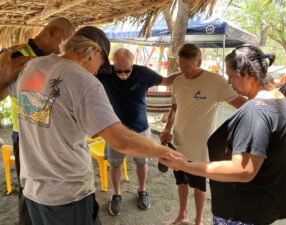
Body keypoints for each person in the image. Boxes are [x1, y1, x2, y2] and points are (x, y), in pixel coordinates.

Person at [0, 26, 183, 225]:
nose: (98, 71)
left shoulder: (33, 67)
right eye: (101, 65)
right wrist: (163, 152)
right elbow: (121, 140)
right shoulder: (83, 80)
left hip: (33, 191)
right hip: (68, 195)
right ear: (94, 51)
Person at [160, 45, 286, 225]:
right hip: (259, 207)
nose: (229, 82)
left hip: (241, 213)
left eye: (231, 76)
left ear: (247, 74)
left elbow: (243, 171)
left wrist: (185, 165)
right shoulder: (279, 100)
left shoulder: (256, 112)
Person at [160, 43, 246, 225]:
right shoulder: (177, 82)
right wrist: (167, 129)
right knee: (181, 182)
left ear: (200, 61)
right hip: (178, 142)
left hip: (200, 147)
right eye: (181, 67)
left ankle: (199, 220)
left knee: (199, 185)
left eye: (188, 67)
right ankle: (183, 214)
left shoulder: (216, 82)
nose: (184, 71)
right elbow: (174, 108)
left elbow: (241, 103)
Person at [4, 17, 75, 225]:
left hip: (52, 133)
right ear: (52, 32)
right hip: (26, 135)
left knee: (51, 186)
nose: (65, 48)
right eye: (64, 40)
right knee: (29, 188)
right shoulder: (20, 54)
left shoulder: (54, 58)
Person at [97, 47, 181, 216]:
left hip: (140, 128)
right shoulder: (105, 73)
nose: (122, 75)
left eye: (127, 71)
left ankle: (142, 190)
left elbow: (165, 81)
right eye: (118, 71)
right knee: (115, 164)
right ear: (113, 65)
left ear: (133, 64)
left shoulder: (143, 73)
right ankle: (116, 194)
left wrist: (186, 71)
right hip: (114, 129)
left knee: (142, 163)